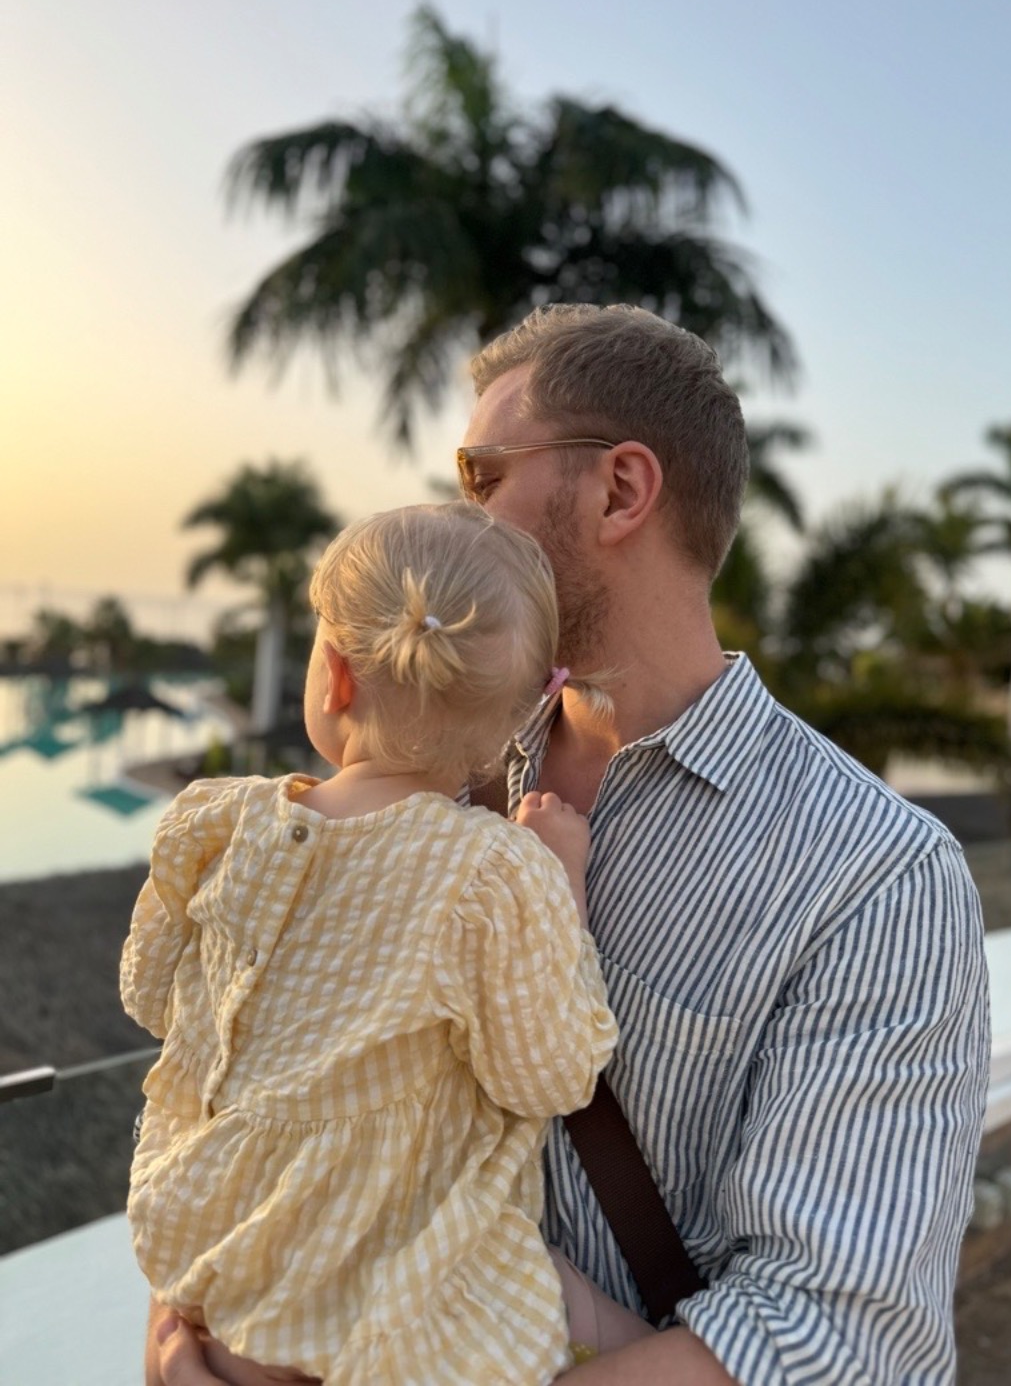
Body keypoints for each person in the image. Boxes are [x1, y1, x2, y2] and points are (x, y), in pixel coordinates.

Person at [151, 306, 990, 1386]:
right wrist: (190, 1327)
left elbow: (837, 1342)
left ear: (619, 491)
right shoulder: (413, 776)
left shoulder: (876, 876)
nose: (460, 514)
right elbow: (242, 1070)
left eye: (482, 474)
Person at [124, 501, 654, 1385]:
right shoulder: (492, 872)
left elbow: (148, 995)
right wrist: (561, 879)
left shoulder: (214, 826)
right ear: (520, 712)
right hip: (392, 1299)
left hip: (213, 1264)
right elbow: (550, 1076)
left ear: (335, 676)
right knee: (644, 1341)